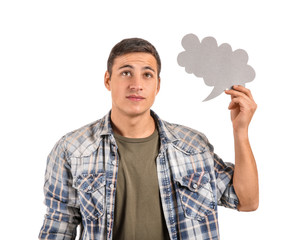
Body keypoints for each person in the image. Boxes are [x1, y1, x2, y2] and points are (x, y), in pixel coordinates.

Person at [39, 38, 258, 240]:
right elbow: (58, 228)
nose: (136, 84)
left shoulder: (193, 146)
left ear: (158, 85)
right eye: (126, 73)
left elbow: (247, 201)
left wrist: (241, 132)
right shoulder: (72, 149)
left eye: (147, 74)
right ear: (108, 80)